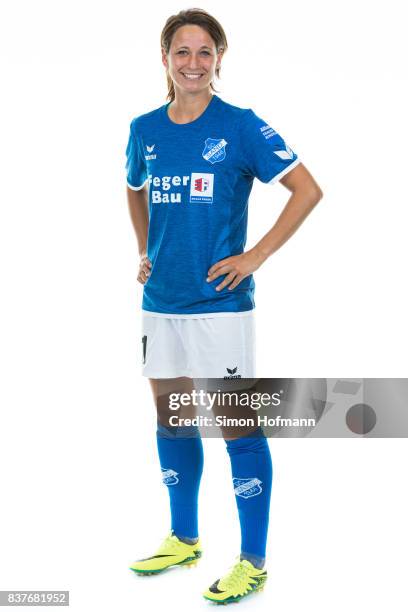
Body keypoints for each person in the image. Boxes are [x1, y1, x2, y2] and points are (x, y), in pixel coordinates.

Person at [125, 8, 323, 604]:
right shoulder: (144, 129)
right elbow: (134, 190)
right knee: (172, 419)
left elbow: (306, 189)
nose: (193, 63)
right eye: (181, 52)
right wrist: (143, 249)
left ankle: (253, 562)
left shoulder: (239, 126)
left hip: (221, 306)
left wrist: (255, 255)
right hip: (161, 303)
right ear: (165, 59)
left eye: (204, 52)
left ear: (219, 60)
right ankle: (184, 538)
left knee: (237, 427)